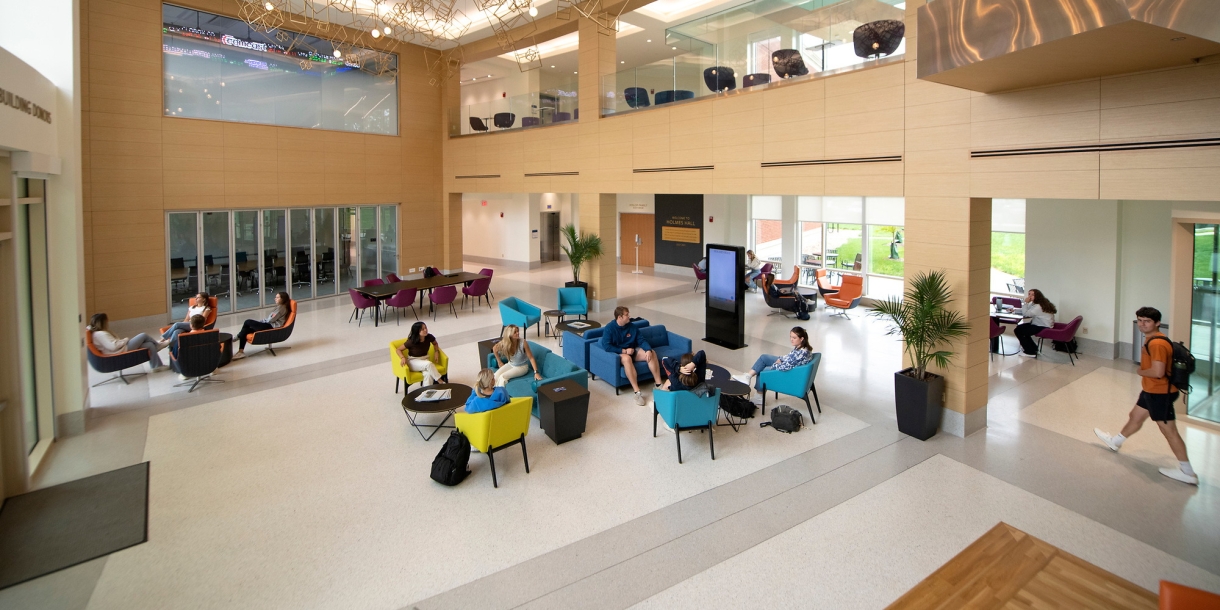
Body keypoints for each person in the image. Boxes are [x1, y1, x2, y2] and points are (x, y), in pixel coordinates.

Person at [1094, 308, 1197, 485]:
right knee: (1135, 416)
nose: (1142, 324)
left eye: (1147, 321)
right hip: (1152, 391)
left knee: (1170, 432)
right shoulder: (1156, 339)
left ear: (1157, 323)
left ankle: (1187, 472)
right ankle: (1115, 442)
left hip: (1160, 393)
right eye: (1140, 320)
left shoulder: (1156, 343)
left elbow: (1158, 371)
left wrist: (1140, 370)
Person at [599, 306, 662, 406]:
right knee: (627, 358)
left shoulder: (632, 326)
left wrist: (648, 349)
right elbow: (607, 346)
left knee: (652, 353)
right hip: (620, 353)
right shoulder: (609, 328)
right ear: (619, 317)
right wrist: (623, 350)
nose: (629, 316)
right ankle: (637, 392)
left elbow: (641, 340)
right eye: (627, 315)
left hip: (633, 351)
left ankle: (658, 385)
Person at [734, 327, 814, 398]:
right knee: (764, 357)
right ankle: (748, 376)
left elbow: (785, 367)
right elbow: (789, 357)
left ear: (802, 338)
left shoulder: (801, 353)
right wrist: (780, 359)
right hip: (789, 366)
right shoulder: (802, 347)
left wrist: (776, 364)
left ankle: (759, 396)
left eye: (794, 337)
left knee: (762, 370)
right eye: (790, 337)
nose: (791, 339)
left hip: (789, 373)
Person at [87, 313, 169, 372]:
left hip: (121, 348)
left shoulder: (98, 333)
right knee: (143, 335)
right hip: (121, 350)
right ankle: (158, 345)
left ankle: (157, 366)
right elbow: (113, 346)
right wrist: (125, 340)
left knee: (149, 345)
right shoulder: (101, 334)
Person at [232, 291, 291, 359]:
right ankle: (240, 352)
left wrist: (261, 322)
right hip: (269, 324)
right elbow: (270, 319)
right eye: (276, 297)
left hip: (271, 326)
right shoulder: (281, 307)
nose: (275, 299)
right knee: (245, 331)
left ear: (283, 299)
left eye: (277, 297)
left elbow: (270, 320)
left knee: (247, 322)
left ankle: (237, 337)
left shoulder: (281, 308)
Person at [395, 321, 445, 387]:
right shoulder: (411, 341)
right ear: (417, 332)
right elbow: (398, 349)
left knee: (428, 374)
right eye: (422, 329)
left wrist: (436, 352)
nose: (425, 330)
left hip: (425, 359)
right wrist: (402, 357)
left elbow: (435, 343)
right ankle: (440, 381)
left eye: (425, 328)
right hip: (413, 361)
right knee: (429, 364)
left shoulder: (429, 337)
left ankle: (427, 392)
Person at [1011, 288, 1056, 357]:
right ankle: (1034, 349)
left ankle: (1030, 352)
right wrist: (1014, 311)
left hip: (1042, 326)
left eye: (1032, 295)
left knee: (1019, 331)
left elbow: (1026, 314)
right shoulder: (1037, 303)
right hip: (1040, 324)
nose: (1029, 296)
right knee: (1020, 328)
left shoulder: (1038, 306)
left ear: (1037, 296)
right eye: (1029, 294)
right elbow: (1026, 310)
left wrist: (1025, 303)